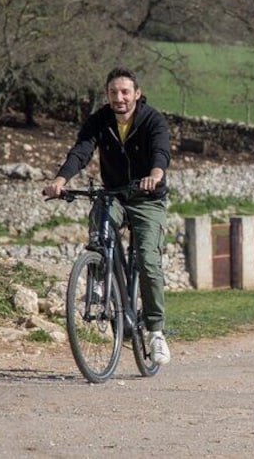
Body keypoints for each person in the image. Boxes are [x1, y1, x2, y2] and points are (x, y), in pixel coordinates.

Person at [43, 66, 172, 365]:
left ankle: (155, 332)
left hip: (146, 198)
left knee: (148, 260)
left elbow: (161, 152)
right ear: (107, 95)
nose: (119, 97)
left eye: (125, 92)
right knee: (98, 220)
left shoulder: (153, 119)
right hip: (114, 193)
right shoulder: (99, 120)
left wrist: (155, 174)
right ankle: (99, 280)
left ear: (137, 94)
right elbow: (81, 151)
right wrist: (61, 181)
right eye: (114, 92)